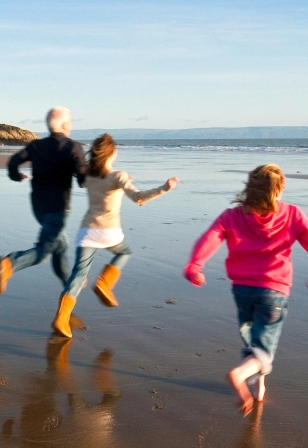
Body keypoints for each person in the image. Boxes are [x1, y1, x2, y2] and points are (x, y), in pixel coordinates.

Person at [184, 164, 308, 415]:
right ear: (279, 191)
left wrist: (195, 265)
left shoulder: (232, 216)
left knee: (253, 339)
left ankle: (258, 388)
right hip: (274, 292)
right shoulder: (292, 214)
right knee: (264, 346)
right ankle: (240, 374)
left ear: (249, 189)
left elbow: (210, 237)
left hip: (242, 291)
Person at [52, 133, 178, 338]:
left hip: (86, 231)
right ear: (111, 153)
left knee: (78, 275)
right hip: (109, 232)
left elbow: (101, 184)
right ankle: (104, 283)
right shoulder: (118, 176)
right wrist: (165, 188)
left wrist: (120, 183)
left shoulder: (89, 177)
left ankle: (60, 319)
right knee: (124, 253)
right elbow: (138, 196)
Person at [0, 106, 87, 295]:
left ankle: (70, 283)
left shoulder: (36, 146)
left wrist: (16, 176)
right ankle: (10, 263)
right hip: (58, 208)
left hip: (38, 206)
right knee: (44, 252)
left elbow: (13, 162)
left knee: (60, 245)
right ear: (66, 125)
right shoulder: (73, 147)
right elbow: (83, 180)